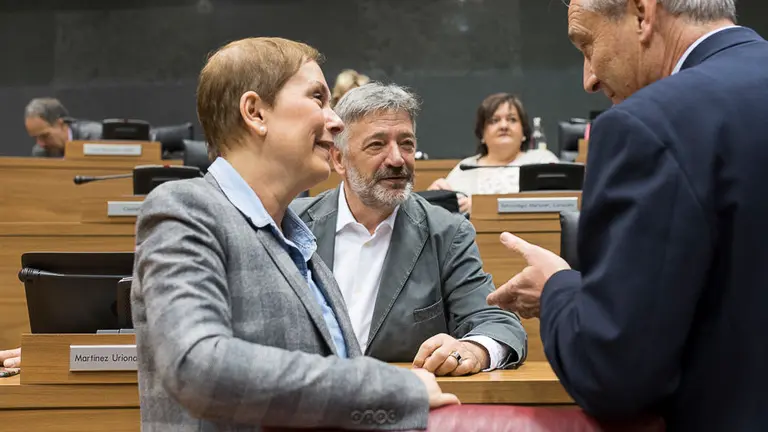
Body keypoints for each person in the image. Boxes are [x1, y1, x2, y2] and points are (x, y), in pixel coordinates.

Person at [131, 37, 458, 431]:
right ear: (256, 113)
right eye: (318, 99)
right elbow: (198, 365)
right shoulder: (186, 207)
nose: (336, 121)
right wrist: (393, 386)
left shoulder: (300, 244)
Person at [487, 0, 768, 429]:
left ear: (642, 13)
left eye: (587, 44)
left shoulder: (648, 126)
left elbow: (614, 376)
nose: (589, 79)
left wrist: (557, 290)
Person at [291, 83, 527, 376]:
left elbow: (499, 324)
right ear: (339, 159)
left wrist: (473, 349)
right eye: (377, 145)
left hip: (402, 406)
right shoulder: (291, 225)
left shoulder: (447, 233)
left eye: (406, 144)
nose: (397, 159)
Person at [428, 93, 559, 214]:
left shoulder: (542, 160)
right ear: (482, 134)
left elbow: (557, 205)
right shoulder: (466, 168)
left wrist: (482, 207)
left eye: (512, 119)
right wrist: (435, 199)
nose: (504, 126)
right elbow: (446, 215)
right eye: (494, 121)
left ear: (524, 133)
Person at [24, 98, 102, 157]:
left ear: (60, 124)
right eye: (35, 138)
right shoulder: (40, 153)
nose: (41, 144)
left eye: (45, 136)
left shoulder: (97, 137)